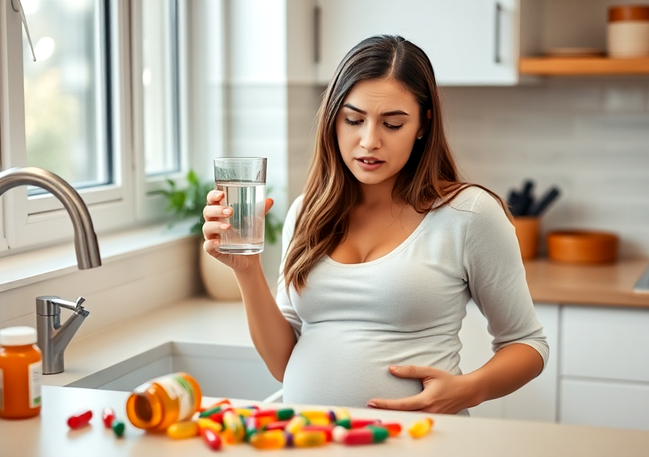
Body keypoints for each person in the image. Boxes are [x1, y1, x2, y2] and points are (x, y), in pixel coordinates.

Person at [202, 35, 548, 415]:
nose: (369, 141)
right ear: (333, 120)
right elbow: (283, 363)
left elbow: (528, 344)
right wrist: (247, 270)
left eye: (392, 124)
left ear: (422, 124)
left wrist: (467, 390)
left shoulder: (468, 214)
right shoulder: (308, 213)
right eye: (353, 120)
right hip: (313, 440)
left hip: (422, 441)